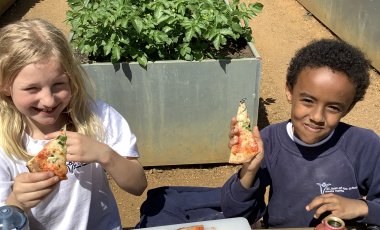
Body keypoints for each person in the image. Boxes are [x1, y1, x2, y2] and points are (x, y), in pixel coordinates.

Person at [0, 18, 147, 230]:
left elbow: (138, 185)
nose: (49, 100)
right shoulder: (3, 143)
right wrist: (16, 203)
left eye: (58, 85)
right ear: (5, 86)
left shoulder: (98, 116)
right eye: (32, 89)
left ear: (71, 79)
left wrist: (105, 154)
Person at [221, 39, 380, 228]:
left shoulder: (364, 145)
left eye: (333, 107)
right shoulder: (270, 141)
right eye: (307, 101)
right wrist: (249, 170)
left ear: (349, 107)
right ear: (289, 91)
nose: (317, 117)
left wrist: (362, 208)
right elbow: (236, 214)